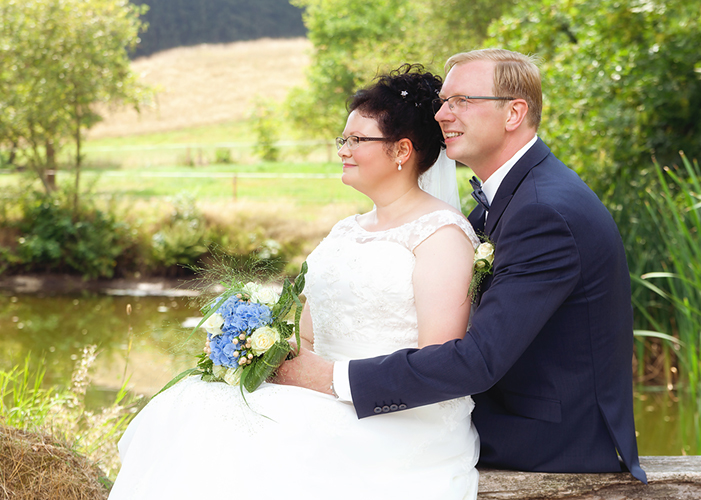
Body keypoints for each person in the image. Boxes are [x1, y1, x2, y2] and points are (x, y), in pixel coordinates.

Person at [108, 64, 481, 499]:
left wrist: (317, 379)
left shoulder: (440, 235)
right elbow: (307, 331)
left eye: (356, 140)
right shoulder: (347, 229)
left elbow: (437, 361)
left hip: (396, 414)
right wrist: (259, 353)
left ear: (401, 150)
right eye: (343, 139)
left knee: (252, 439)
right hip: (317, 392)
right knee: (193, 405)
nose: (343, 149)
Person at [275, 48, 647, 483]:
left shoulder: (545, 211)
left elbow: (479, 360)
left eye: (461, 102)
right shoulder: (508, 199)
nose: (441, 115)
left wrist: (334, 378)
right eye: (442, 102)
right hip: (509, 412)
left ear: (514, 113)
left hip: (550, 437)